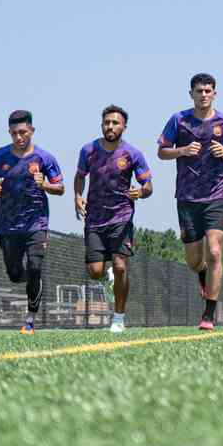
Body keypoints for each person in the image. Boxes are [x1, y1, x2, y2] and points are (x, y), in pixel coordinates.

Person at [157, 73, 223, 331]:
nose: (204, 95)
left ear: (215, 93)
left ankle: (208, 314)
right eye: (199, 91)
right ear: (191, 94)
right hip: (187, 197)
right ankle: (202, 275)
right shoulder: (179, 120)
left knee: (216, 251)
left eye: (208, 91)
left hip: (217, 196)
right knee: (195, 261)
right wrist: (182, 151)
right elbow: (162, 151)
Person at [74, 105, 153, 333]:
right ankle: (108, 277)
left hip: (122, 217)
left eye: (115, 123)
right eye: (107, 122)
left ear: (124, 127)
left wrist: (141, 191)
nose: (110, 126)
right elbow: (80, 177)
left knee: (120, 266)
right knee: (95, 271)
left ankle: (118, 318)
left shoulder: (132, 154)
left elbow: (148, 184)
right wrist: (78, 196)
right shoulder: (88, 150)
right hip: (95, 220)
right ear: (102, 125)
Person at [0, 110, 64, 334]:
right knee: (14, 274)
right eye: (14, 133)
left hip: (36, 225)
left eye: (23, 132)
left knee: (35, 266)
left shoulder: (44, 158)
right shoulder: (0, 156)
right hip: (8, 225)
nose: (19, 137)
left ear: (32, 131)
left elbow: (61, 188)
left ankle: (30, 319)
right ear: (9, 133)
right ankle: (32, 281)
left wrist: (45, 185)